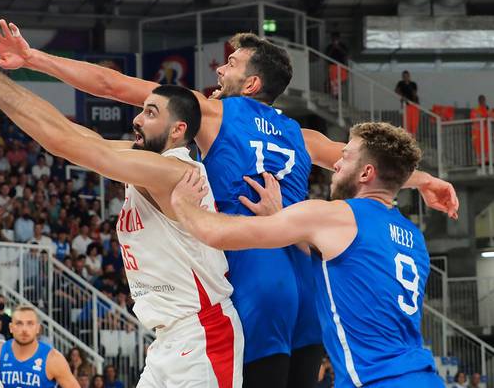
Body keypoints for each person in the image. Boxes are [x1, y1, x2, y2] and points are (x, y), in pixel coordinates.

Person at [0, 21, 458, 388]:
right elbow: (366, 164)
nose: (220, 69)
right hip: (305, 284)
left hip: (252, 274)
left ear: (250, 84)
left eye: (230, 64)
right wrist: (427, 180)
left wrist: (34, 58)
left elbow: (111, 86)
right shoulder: (302, 136)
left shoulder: (211, 112)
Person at [0, 26, 244, 388]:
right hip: (171, 340)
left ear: (178, 130)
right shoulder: (145, 161)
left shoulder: (173, 171)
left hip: (203, 335)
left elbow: (65, 143)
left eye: (150, 113)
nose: (137, 119)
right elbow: (73, 135)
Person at [171, 122, 445, 388]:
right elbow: (342, 258)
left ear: (366, 173)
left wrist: (182, 203)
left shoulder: (335, 215)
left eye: (346, 158)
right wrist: (281, 218)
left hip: (376, 380)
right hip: (424, 376)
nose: (335, 164)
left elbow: (220, 235)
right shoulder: (412, 236)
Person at [0, 305, 79, 387]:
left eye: (30, 324)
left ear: (37, 328)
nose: (24, 329)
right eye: (19, 323)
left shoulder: (53, 358)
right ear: (11, 328)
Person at [470, 94, 493, 165]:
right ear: (479, 101)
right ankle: (479, 163)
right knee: (479, 148)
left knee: (487, 147)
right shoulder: (475, 110)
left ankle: (487, 161)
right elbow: (474, 118)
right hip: (477, 133)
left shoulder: (487, 109)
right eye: (481, 100)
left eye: (484, 100)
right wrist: (485, 118)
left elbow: (491, 117)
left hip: (486, 133)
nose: (483, 101)